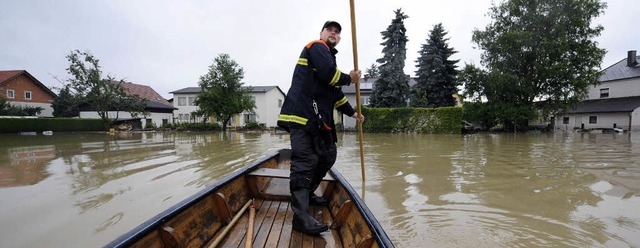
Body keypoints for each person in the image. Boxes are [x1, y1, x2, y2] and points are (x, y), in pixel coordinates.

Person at [277, 20, 365, 235]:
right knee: (305, 162)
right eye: (330, 30)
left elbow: (336, 95)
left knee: (327, 156)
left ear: (339, 38)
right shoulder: (316, 47)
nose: (333, 33)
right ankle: (300, 216)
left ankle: (308, 194)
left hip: (318, 121)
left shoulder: (328, 60)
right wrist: (349, 78)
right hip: (301, 116)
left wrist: (353, 113)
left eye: (337, 32)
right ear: (322, 33)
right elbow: (331, 76)